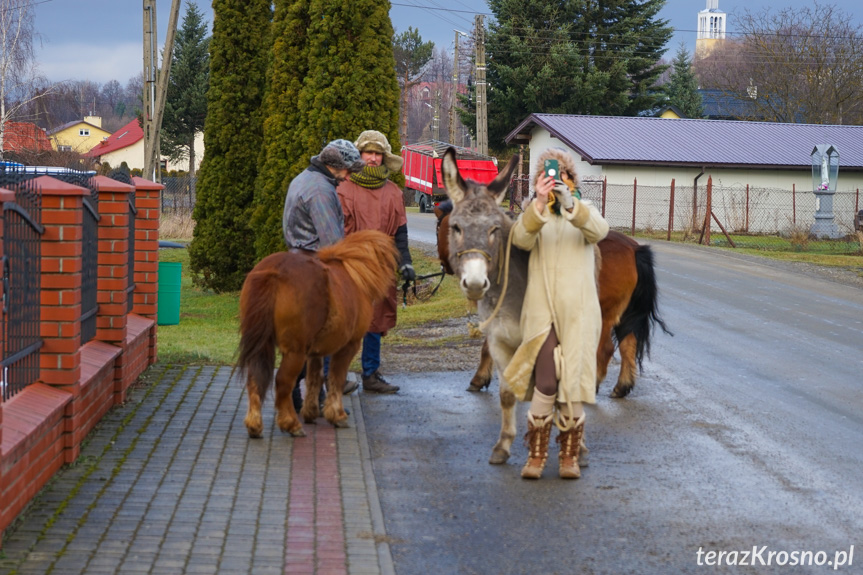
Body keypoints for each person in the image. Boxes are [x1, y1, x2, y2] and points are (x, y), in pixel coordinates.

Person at [502, 147, 610, 480]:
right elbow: (520, 239)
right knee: (547, 382)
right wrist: (537, 204)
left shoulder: (584, 210)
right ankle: (536, 456)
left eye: (563, 175)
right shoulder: (535, 215)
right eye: (549, 175)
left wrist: (570, 204)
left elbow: (599, 231)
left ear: (572, 180)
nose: (556, 180)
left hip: (578, 314)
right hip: (542, 313)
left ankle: (569, 457)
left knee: (573, 385)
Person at [283, 139, 366, 408]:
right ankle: (305, 385)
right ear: (333, 166)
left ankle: (314, 391)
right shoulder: (321, 191)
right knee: (329, 332)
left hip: (294, 260)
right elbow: (332, 243)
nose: (349, 176)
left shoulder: (304, 178)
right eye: (347, 170)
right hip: (315, 265)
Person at [337, 130, 415, 394]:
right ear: (359, 155)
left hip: (381, 269)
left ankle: (370, 374)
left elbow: (400, 233)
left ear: (384, 157)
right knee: (343, 322)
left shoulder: (393, 192)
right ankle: (333, 376)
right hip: (350, 268)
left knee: (375, 319)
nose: (372, 158)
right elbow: (336, 232)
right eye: (368, 152)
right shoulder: (344, 188)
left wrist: (405, 262)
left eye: (377, 153)